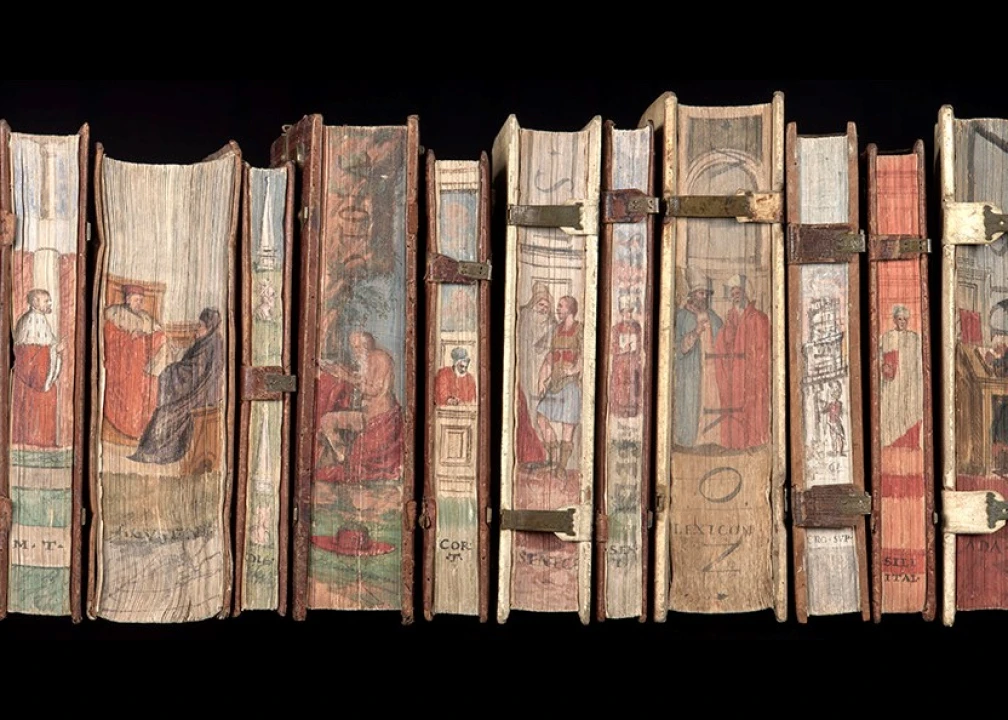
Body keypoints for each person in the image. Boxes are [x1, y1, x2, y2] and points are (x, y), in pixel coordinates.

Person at [130, 307, 223, 466]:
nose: (197, 329)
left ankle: (153, 453)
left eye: (200, 326)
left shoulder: (210, 344)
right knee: (164, 410)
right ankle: (148, 451)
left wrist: (170, 370)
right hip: (199, 390)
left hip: (202, 393)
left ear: (209, 327)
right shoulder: (208, 340)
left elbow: (193, 372)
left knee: (167, 413)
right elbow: (192, 366)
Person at [315, 330, 403, 484]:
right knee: (327, 421)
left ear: (367, 344)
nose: (355, 352)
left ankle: (346, 459)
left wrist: (346, 377)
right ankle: (342, 455)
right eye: (353, 347)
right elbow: (360, 379)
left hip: (381, 418)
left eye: (357, 347)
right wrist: (336, 370)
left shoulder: (381, 358)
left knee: (357, 459)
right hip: (367, 414)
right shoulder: (367, 359)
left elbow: (375, 390)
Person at [713, 274, 770, 449]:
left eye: (738, 293)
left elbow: (762, 349)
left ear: (746, 294)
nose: (735, 297)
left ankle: (754, 442)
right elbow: (725, 342)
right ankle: (736, 443)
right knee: (735, 404)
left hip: (752, 372)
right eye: (733, 294)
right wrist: (728, 331)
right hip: (736, 372)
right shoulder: (731, 317)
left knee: (753, 406)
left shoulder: (758, 318)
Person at [102, 284, 167, 441]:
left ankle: (146, 429)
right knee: (132, 387)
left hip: (142, 362)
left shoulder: (145, 317)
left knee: (150, 386)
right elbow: (110, 337)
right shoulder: (116, 314)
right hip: (124, 364)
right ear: (127, 299)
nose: (139, 304)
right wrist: (130, 338)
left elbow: (157, 335)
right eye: (136, 300)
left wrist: (146, 339)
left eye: (141, 301)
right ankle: (130, 428)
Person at [674, 269, 722, 447]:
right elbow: (678, 347)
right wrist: (695, 332)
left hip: (711, 369)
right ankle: (689, 440)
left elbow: (723, 336)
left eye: (706, 294)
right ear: (693, 295)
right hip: (691, 370)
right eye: (701, 293)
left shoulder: (713, 316)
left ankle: (711, 439)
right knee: (690, 402)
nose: (705, 297)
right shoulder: (682, 316)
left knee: (711, 400)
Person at [536, 295, 584, 474]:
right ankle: (554, 455)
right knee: (541, 418)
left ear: (570, 309)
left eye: (561, 306)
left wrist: (574, 370)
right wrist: (541, 380)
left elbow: (585, 354)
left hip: (570, 385)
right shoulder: (556, 330)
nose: (557, 309)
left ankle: (561, 467)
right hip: (555, 382)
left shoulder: (580, 329)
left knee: (567, 426)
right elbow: (551, 356)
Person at [11, 289, 64, 448]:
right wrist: (54, 350)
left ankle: (44, 440)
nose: (49, 303)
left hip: (40, 374)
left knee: (50, 394)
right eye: (46, 300)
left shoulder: (40, 319)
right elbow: (29, 354)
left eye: (49, 300)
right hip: (33, 379)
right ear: (35, 302)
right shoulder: (30, 321)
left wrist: (54, 350)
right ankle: (33, 440)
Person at [515, 282, 556, 468]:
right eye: (541, 304)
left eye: (547, 306)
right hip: (525, 371)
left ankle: (544, 455)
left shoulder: (552, 325)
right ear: (534, 303)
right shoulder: (525, 317)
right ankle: (529, 454)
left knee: (540, 415)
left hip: (543, 374)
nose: (543, 309)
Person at [879, 304, 923, 448]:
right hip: (893, 382)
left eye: (905, 319)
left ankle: (910, 443)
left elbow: (919, 360)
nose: (902, 322)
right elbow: (880, 358)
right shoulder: (887, 337)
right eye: (899, 319)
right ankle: (892, 442)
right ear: (894, 320)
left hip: (909, 382)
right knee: (893, 410)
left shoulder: (914, 338)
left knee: (910, 410)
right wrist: (884, 367)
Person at [609, 293, 643, 418]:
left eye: (630, 311)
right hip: (620, 363)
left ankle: (632, 410)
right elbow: (612, 347)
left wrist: (638, 353)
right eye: (626, 312)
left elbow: (640, 344)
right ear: (622, 313)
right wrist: (623, 349)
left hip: (633, 361)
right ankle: (619, 410)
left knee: (633, 385)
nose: (628, 314)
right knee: (621, 386)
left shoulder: (637, 327)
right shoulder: (616, 328)